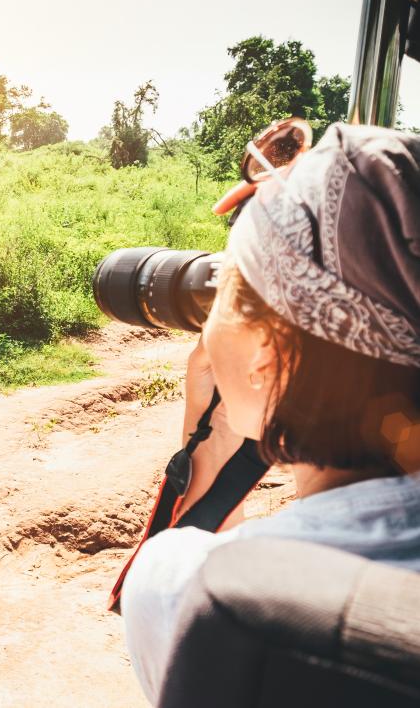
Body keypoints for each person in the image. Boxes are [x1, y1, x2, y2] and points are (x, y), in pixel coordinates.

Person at [121, 123, 420, 705]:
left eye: (228, 286)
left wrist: (205, 449)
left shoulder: (196, 589)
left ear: (270, 350)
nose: (207, 321)